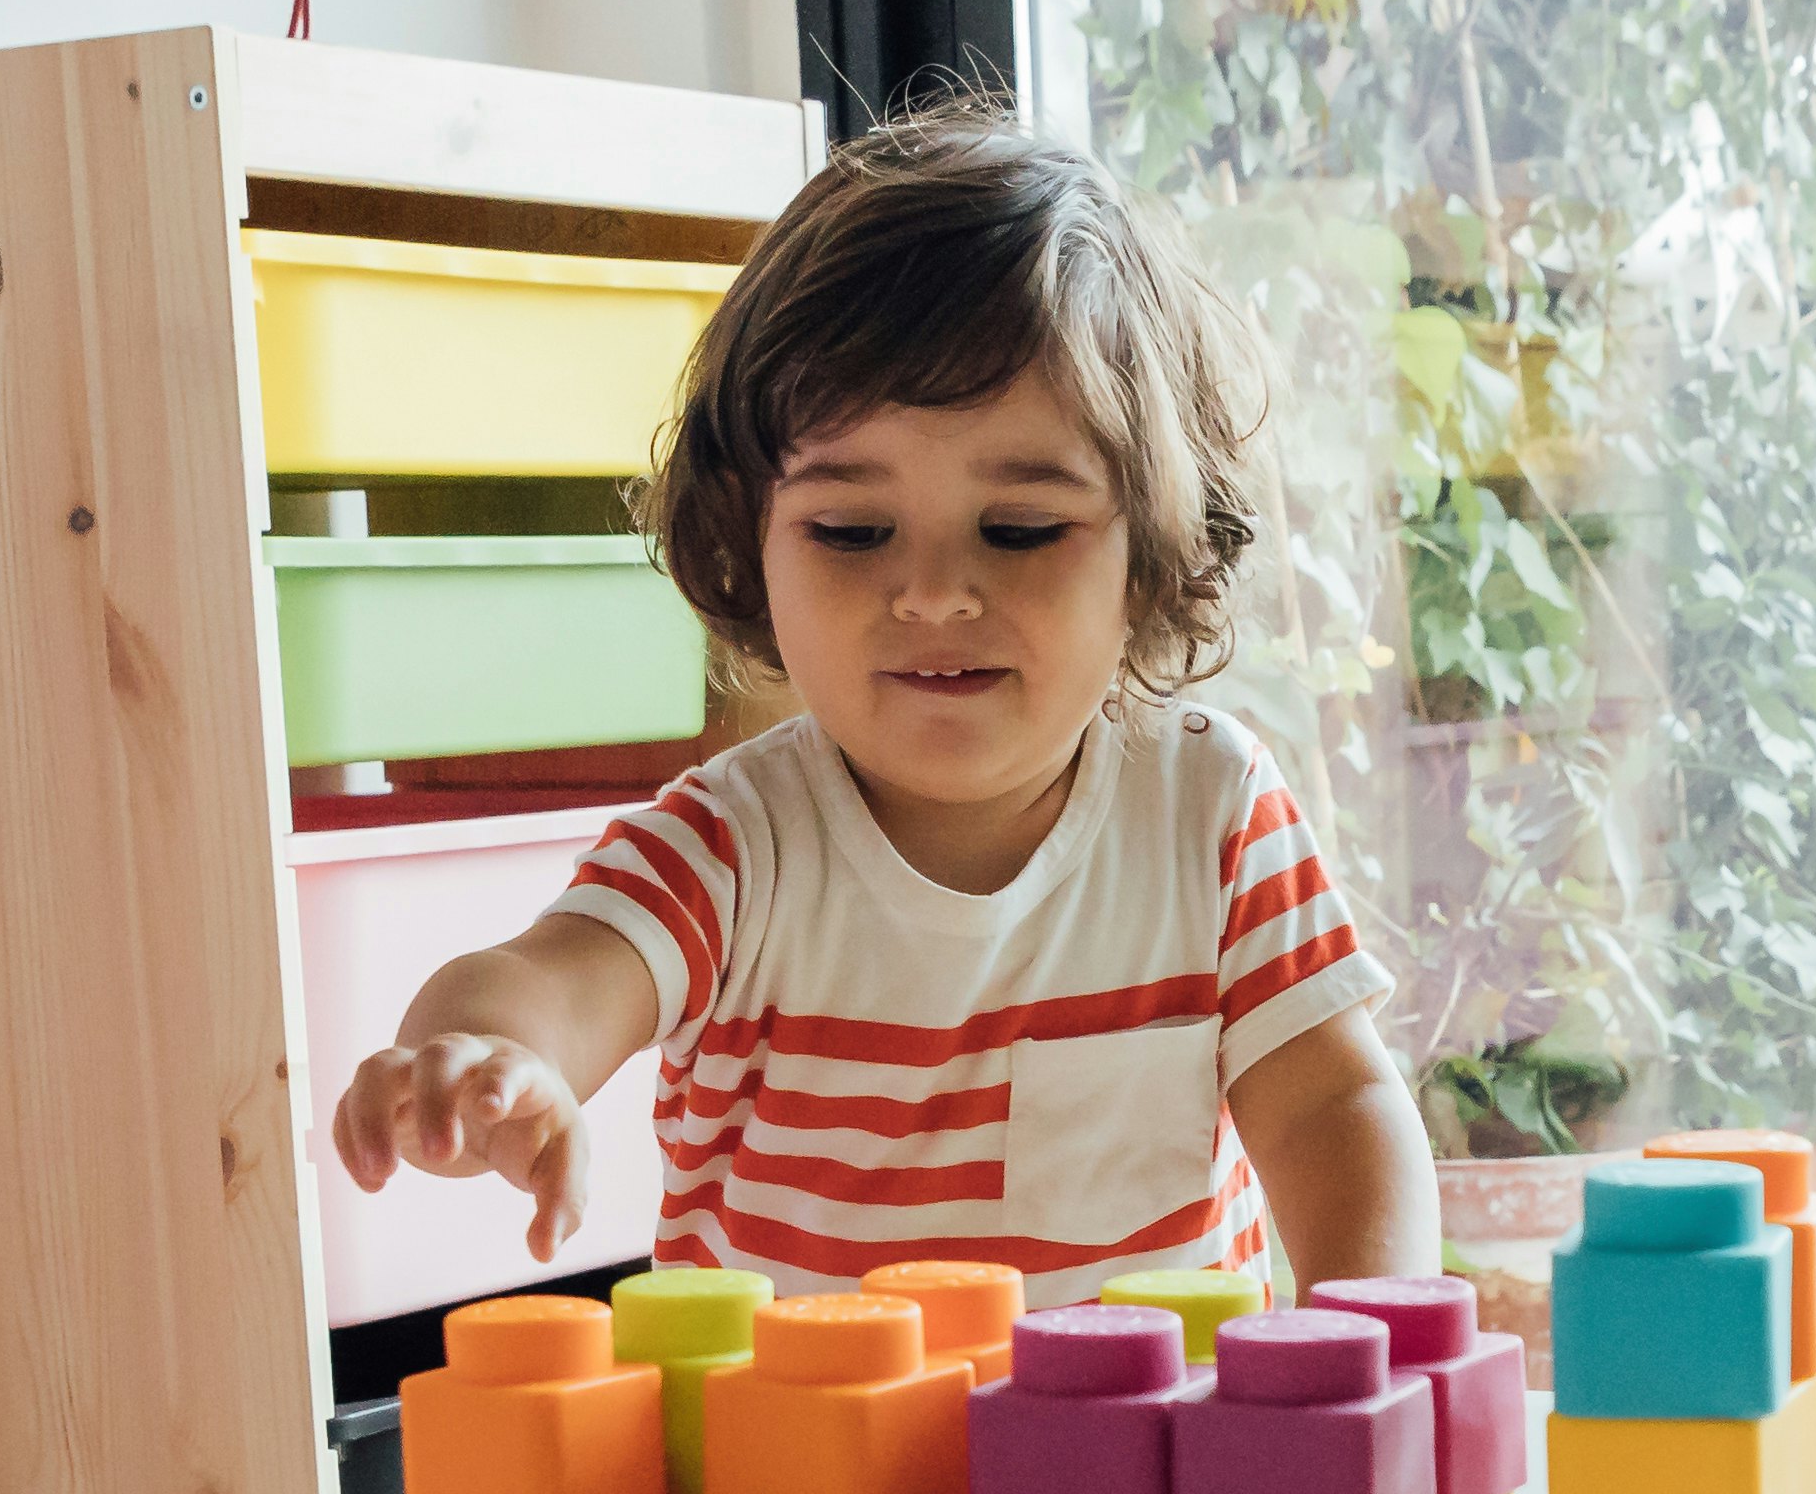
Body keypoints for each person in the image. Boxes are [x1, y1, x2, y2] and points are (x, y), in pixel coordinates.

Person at [330, 104, 1434, 1303]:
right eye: (853, 531)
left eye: (1019, 530)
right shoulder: (731, 847)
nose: (935, 592)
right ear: (747, 547)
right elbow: (549, 975)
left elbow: (1336, 1104)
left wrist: (1366, 1345)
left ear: (1151, 554)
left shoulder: (1212, 816)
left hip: (1144, 1475)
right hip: (792, 1485)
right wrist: (493, 1056)